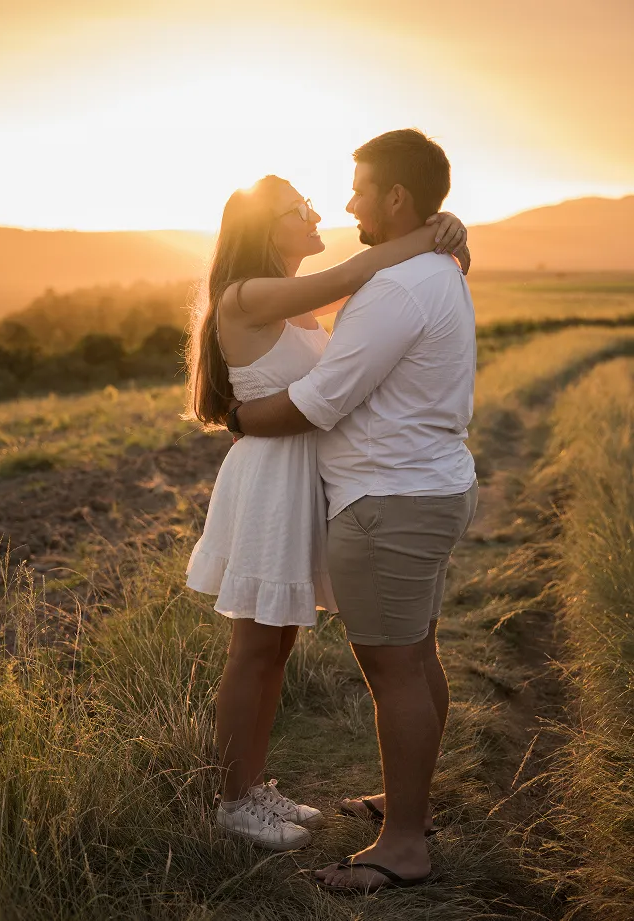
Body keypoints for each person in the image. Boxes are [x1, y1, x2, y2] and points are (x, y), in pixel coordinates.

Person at [184, 169, 469, 852]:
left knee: (275, 645)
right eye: (297, 207)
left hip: (304, 478)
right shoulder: (249, 293)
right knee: (253, 647)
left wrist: (451, 240)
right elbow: (365, 264)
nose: (315, 213)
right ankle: (231, 801)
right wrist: (437, 229)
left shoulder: (298, 304)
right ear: (263, 228)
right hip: (270, 480)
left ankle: (252, 785)